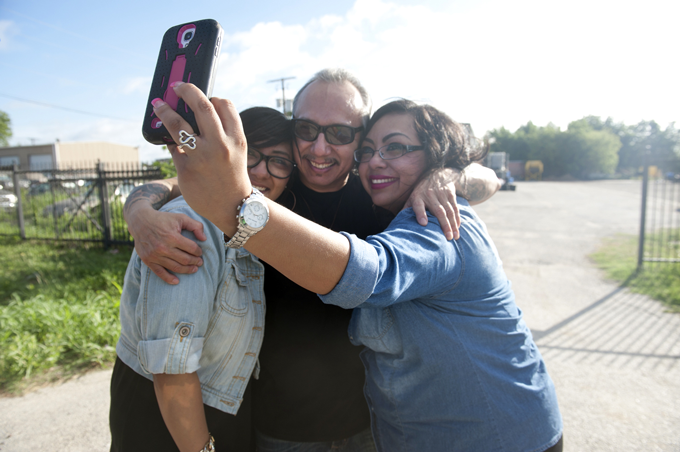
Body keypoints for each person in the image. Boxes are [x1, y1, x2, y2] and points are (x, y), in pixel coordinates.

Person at [152, 85, 563, 451]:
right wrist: (141, 208)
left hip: (466, 433)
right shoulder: (277, 186)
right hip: (320, 427)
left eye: (345, 136)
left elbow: (369, 272)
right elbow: (181, 188)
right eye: (371, 151)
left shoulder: (431, 219)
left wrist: (449, 174)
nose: (320, 148)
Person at [109, 107, 296, 452]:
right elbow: (172, 373)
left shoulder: (254, 222)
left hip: (221, 407)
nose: (260, 171)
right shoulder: (191, 226)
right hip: (167, 423)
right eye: (250, 154)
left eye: (279, 161)